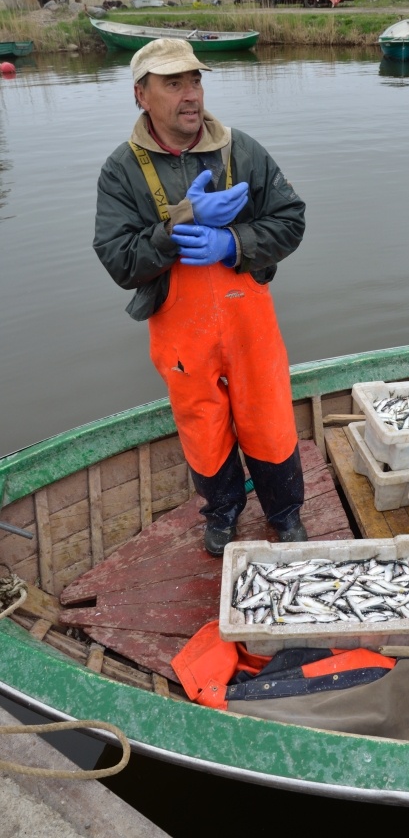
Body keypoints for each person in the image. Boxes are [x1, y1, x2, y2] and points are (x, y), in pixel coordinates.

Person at [94, 37, 307, 556]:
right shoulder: (121, 170)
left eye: (195, 80)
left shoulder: (242, 149)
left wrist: (232, 241)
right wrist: (180, 226)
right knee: (202, 425)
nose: (191, 95)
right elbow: (119, 261)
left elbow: (291, 220)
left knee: (270, 418)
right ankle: (224, 513)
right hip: (180, 330)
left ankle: (284, 513)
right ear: (141, 95)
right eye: (174, 83)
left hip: (247, 318)